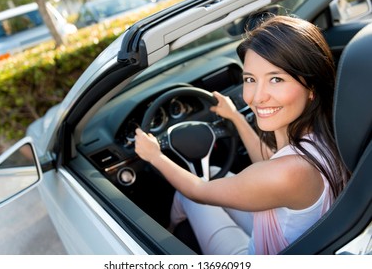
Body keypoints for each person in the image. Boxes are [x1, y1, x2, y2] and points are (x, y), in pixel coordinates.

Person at [134, 15, 350, 255]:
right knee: (214, 173)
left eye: (276, 79)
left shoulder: (289, 173)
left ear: (312, 87)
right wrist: (236, 117)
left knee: (189, 195)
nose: (257, 97)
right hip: (292, 240)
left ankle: (166, 237)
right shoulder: (327, 136)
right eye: (250, 79)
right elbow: (270, 164)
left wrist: (154, 156)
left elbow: (199, 192)